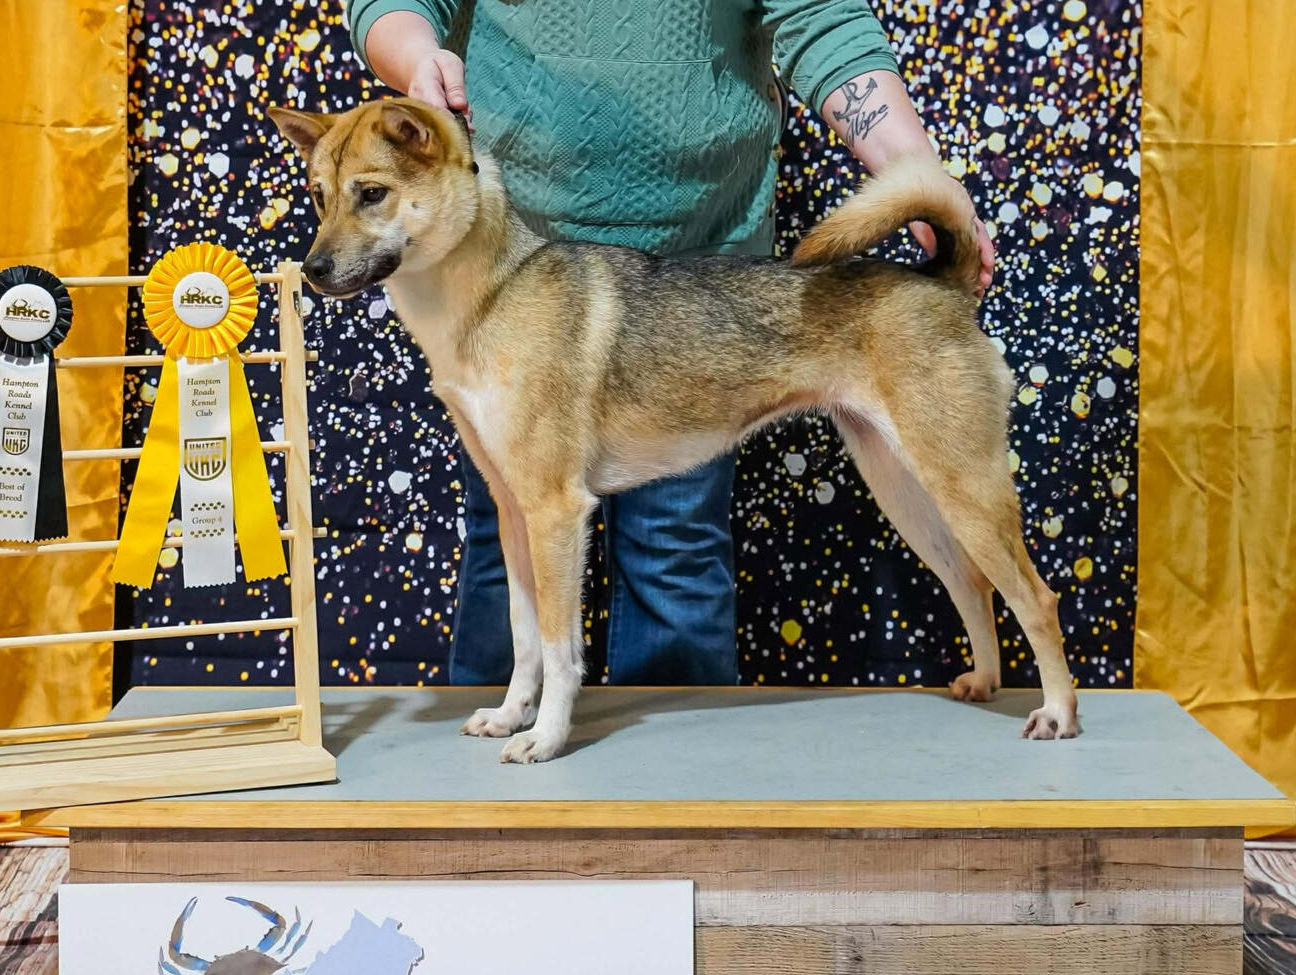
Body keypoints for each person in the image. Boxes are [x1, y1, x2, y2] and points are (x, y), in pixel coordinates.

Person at [346, 0, 995, 687]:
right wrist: (418, 59)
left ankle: (676, 758)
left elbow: (820, 16)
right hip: (513, 264)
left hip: (701, 272)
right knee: (513, 532)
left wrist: (915, 171)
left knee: (674, 549)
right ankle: (506, 734)